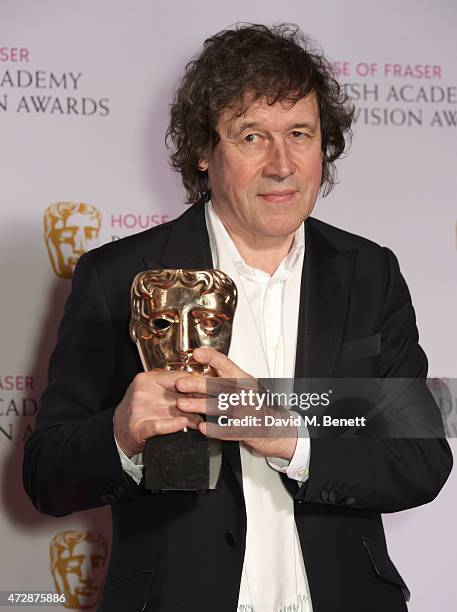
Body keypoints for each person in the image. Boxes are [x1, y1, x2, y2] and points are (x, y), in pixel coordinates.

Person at [24, 24, 452, 612]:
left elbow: (422, 457)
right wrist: (120, 434)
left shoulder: (370, 273)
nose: (282, 164)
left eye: (300, 133)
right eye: (252, 136)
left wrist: (287, 434)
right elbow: (46, 474)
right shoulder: (119, 277)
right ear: (204, 150)